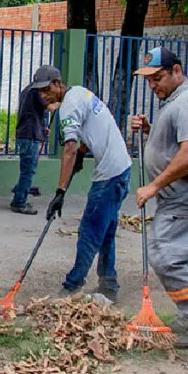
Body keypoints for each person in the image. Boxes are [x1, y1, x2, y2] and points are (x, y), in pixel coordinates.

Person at [131, 47, 188, 348]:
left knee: (164, 255)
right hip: (182, 196)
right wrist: (149, 132)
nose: (152, 85)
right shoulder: (177, 100)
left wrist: (153, 186)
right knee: (181, 255)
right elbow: (176, 145)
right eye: (148, 80)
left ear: (177, 71)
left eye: (157, 78)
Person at [37, 70, 133, 303]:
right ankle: (108, 285)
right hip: (123, 169)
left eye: (47, 90)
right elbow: (94, 128)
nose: (44, 96)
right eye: (40, 92)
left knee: (89, 231)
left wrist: (60, 192)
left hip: (109, 175)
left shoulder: (68, 106)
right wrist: (83, 151)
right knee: (106, 231)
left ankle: (72, 286)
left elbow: (68, 147)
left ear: (58, 83)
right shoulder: (81, 92)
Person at [10, 66, 55, 215]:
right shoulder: (37, 92)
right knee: (28, 171)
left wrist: (42, 128)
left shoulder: (27, 90)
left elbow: (32, 113)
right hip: (29, 137)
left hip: (25, 135)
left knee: (27, 169)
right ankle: (19, 202)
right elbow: (51, 107)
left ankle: (19, 192)